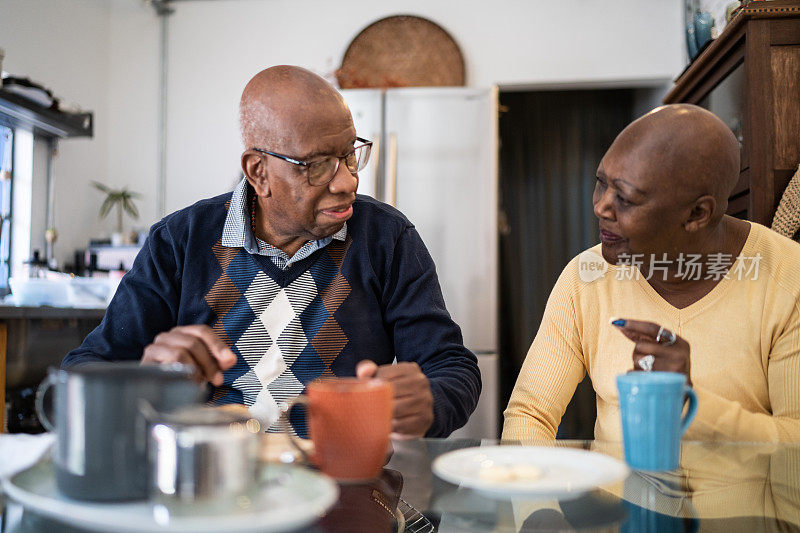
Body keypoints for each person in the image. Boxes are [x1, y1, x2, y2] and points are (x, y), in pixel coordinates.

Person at [63, 65, 481, 438]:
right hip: (213, 481)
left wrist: (430, 401)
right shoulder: (179, 242)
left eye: (350, 154)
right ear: (258, 172)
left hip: (342, 486)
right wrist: (144, 380)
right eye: (318, 165)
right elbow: (82, 374)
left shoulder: (386, 238)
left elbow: (452, 368)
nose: (347, 181)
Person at [503, 104, 800, 443]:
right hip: (612, 497)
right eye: (601, 184)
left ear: (697, 214)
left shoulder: (787, 278)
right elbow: (530, 413)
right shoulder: (586, 277)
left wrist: (689, 405)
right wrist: (535, 496)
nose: (601, 207)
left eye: (626, 198)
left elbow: (795, 450)